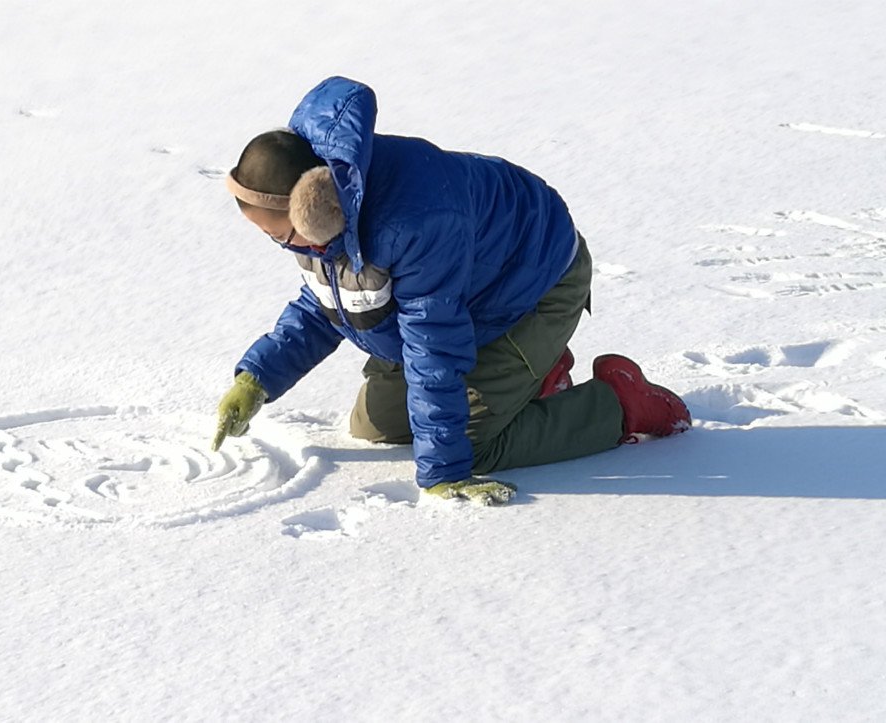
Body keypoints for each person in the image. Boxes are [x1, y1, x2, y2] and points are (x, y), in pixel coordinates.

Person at [209, 76, 690, 505]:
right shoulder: (325, 215)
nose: (284, 245)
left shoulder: (414, 223)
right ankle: (536, 377)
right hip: (471, 295)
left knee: (474, 444)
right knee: (375, 425)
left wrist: (444, 473)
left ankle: (619, 405)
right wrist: (256, 380)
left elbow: (432, 341)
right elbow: (326, 302)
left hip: (532, 286)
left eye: (282, 235)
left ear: (313, 204)